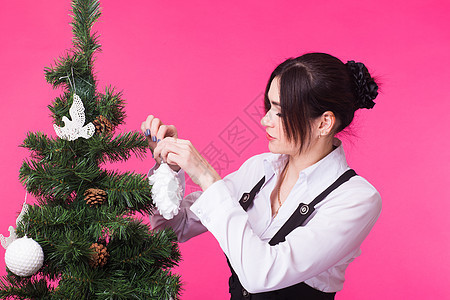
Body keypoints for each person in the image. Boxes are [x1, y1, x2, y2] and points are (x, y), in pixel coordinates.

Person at [141, 52, 382, 299]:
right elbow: (172, 228)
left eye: (280, 112)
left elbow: (261, 275)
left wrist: (205, 176)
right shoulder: (259, 170)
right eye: (269, 106)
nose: (264, 120)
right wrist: (168, 168)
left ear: (324, 123)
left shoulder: (356, 199)